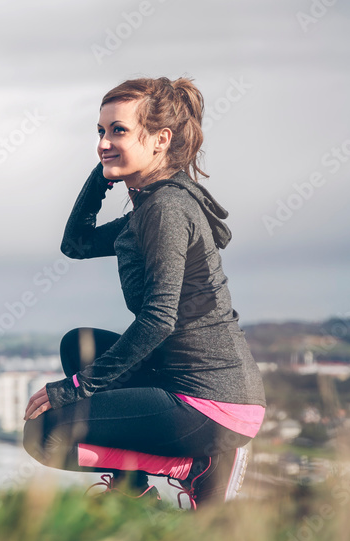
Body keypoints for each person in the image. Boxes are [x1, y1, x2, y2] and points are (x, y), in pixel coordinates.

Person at [21, 76, 267, 510]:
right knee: (78, 344)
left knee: (46, 436)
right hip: (179, 382)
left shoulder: (166, 210)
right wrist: (103, 175)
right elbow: (76, 244)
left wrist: (73, 389)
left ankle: (196, 469)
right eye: (100, 131)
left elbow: (158, 319)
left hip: (212, 402)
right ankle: (132, 489)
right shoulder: (148, 207)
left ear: (160, 140)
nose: (103, 142)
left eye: (118, 130)